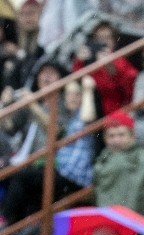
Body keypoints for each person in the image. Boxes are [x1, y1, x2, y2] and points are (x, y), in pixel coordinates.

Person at [2, 74, 96, 226]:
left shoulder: (83, 116)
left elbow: (86, 117)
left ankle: (5, 222)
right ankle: (14, 228)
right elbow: (9, 128)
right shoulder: (69, 117)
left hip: (73, 178)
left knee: (22, 176)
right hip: (61, 172)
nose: (72, 98)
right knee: (24, 184)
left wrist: (88, 89)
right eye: (69, 94)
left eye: (77, 94)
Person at [93, 111, 144, 232]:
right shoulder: (105, 157)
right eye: (111, 136)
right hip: (124, 224)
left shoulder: (143, 161)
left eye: (121, 135)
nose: (116, 140)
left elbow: (128, 204)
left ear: (133, 136)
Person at [72, 20, 137, 118]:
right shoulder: (89, 61)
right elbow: (77, 85)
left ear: (114, 41)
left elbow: (131, 88)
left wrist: (112, 68)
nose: (103, 41)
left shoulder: (120, 61)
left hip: (116, 113)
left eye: (107, 38)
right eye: (99, 38)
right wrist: (79, 62)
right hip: (93, 112)